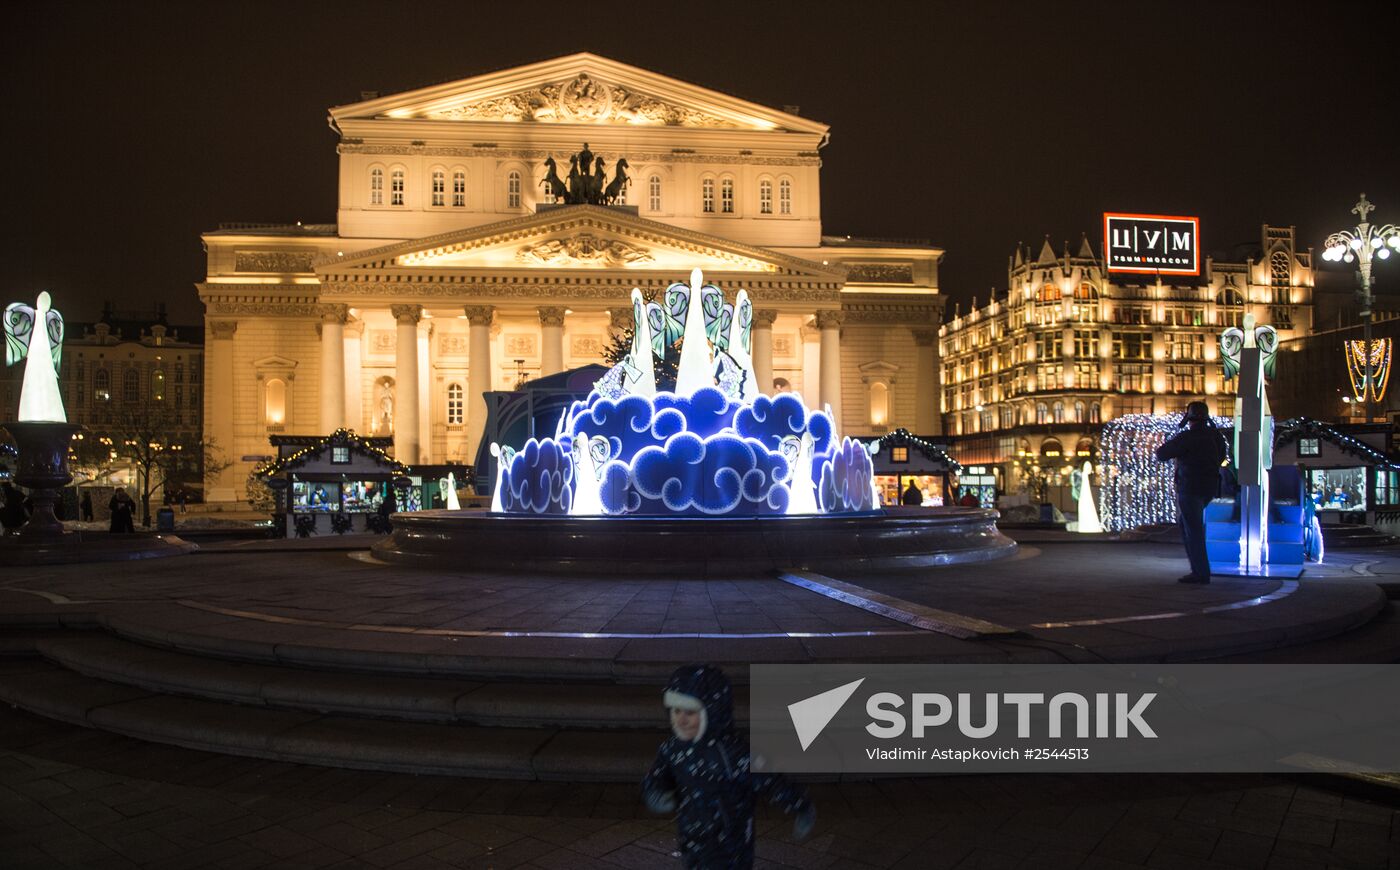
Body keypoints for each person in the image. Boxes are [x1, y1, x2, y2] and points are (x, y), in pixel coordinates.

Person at [643, 665, 815, 869]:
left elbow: (770, 781)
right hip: (692, 834)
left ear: (711, 711)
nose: (681, 719)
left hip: (730, 842)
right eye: (676, 710)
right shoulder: (672, 749)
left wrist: (800, 805)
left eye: (690, 712)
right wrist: (655, 792)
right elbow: (658, 775)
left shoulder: (733, 753)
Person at [1155, 401, 1228, 584]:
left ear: (1189, 418)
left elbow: (1162, 454)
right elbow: (1221, 457)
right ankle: (1199, 570)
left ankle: (1201, 572)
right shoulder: (1215, 436)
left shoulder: (1187, 437)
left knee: (1193, 530)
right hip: (1209, 487)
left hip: (1190, 487)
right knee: (1189, 525)